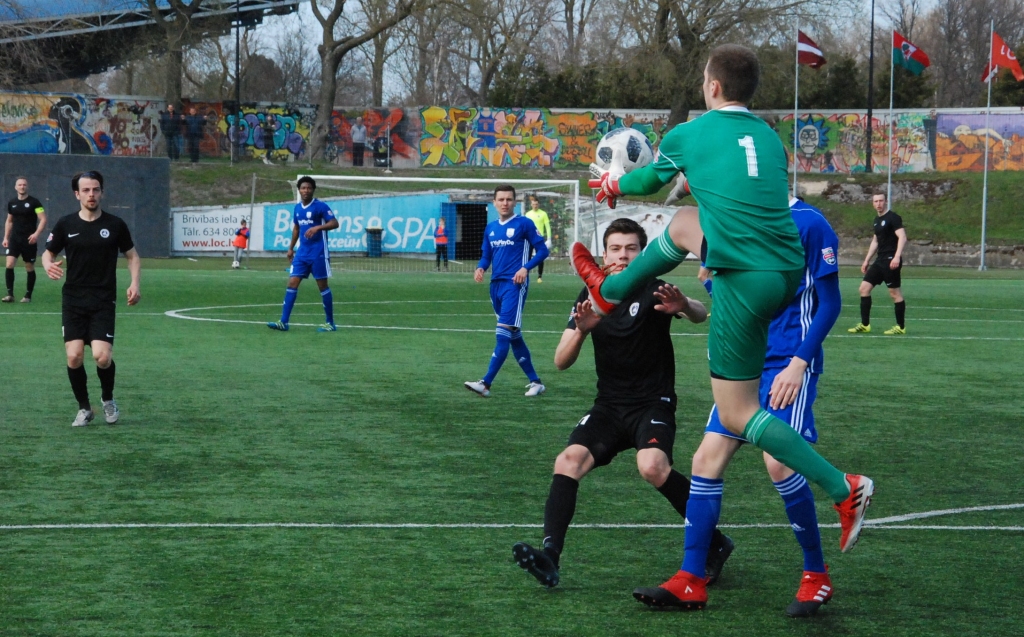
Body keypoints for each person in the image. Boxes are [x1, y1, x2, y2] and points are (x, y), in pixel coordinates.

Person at [575, 44, 873, 609]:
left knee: (742, 418)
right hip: (774, 274)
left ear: (711, 87)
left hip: (753, 290)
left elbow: (640, 187)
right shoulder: (764, 136)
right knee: (685, 223)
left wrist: (611, 187)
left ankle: (843, 488)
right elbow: (718, 199)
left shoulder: (692, 133)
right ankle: (691, 576)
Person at [634, 198, 843, 616]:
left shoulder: (809, 223)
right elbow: (734, 303)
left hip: (788, 363)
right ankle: (691, 578)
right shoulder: (733, 220)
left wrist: (799, 364)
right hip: (745, 367)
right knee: (705, 460)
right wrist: (706, 288)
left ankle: (816, 575)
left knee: (779, 463)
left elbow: (830, 302)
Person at [512, 218, 734, 590]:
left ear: (643, 254)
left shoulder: (653, 287)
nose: (622, 255)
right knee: (568, 461)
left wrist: (683, 304)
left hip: (652, 404)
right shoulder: (591, 294)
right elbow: (560, 361)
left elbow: (698, 313)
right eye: (615, 248)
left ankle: (716, 543)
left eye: (631, 248)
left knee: (652, 466)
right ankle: (550, 555)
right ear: (603, 254)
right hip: (610, 407)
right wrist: (582, 330)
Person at [42, 171, 141, 427]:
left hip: (102, 300)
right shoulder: (66, 224)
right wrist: (47, 265)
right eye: (86, 190)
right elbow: (47, 253)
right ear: (77, 194)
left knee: (102, 357)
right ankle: (85, 408)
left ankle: (107, 399)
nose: (91, 194)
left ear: (102, 192)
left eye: (95, 190)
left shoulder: (115, 224)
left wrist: (134, 283)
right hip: (73, 300)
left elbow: (132, 255)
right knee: (74, 356)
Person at [464, 185, 549, 397]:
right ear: (494, 203)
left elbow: (543, 250)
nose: (505, 203)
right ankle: (536, 382)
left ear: (515, 202)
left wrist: (525, 268)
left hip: (515, 284)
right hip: (496, 286)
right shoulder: (491, 228)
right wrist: (481, 267)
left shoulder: (524, 224)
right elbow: (486, 255)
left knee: (502, 335)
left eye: (509, 199)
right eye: (501, 199)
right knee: (514, 336)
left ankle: (485, 384)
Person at [267, 177, 340, 333]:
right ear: (299, 190)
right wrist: (290, 248)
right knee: (292, 283)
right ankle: (284, 322)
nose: (305, 190)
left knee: (322, 286)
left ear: (313, 189)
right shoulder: (297, 208)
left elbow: (334, 223)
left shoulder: (320, 206)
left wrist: (318, 228)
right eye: (303, 188)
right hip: (302, 253)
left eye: (308, 188)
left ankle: (330, 323)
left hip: (319, 252)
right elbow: (296, 229)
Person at [848, 192, 907, 335]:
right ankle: (865, 324)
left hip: (891, 260)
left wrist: (897, 257)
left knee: (894, 293)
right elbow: (875, 241)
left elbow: (902, 237)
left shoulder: (893, 218)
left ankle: (900, 327)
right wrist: (867, 260)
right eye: (876, 201)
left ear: (885, 201)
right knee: (864, 289)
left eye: (881, 201)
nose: (878, 204)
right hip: (879, 261)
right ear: (873, 203)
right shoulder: (876, 220)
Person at [4, 177, 46, 303]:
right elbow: (9, 221)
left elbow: (43, 219)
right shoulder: (12, 203)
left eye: (24, 185)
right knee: (9, 264)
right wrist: (6, 237)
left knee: (29, 267)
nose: (22, 187)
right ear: (15, 187)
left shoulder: (35, 202)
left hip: (29, 241)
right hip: (15, 240)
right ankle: (10, 295)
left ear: (27, 187)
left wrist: (36, 234)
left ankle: (28, 296)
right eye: (20, 185)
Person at [524, 195, 552, 282]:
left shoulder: (543, 214)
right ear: (531, 204)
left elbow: (547, 226)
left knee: (540, 256)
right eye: (533, 204)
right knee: (527, 257)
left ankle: (539, 276)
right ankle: (526, 273)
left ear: (538, 204)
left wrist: (549, 238)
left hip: (539, 239)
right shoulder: (528, 214)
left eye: (536, 204)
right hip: (529, 238)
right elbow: (525, 227)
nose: (535, 206)